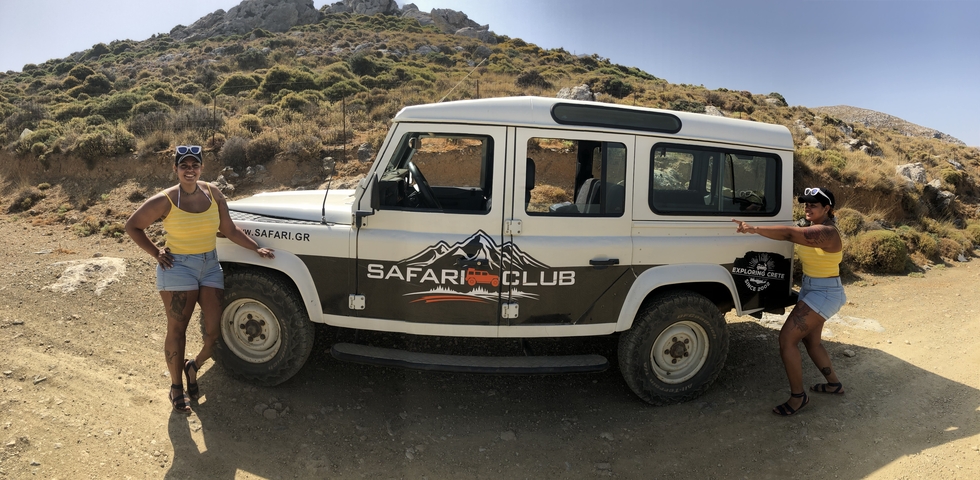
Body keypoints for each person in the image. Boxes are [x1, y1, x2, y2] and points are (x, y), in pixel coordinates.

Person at [125, 145, 275, 414]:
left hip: (209, 264)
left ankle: (193, 366)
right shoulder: (165, 199)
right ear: (175, 169)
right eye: (184, 166)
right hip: (178, 266)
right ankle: (175, 388)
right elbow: (132, 225)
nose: (190, 170)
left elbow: (228, 229)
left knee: (215, 330)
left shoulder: (213, 193)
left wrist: (255, 248)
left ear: (201, 168)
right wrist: (156, 251)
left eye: (195, 165)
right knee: (177, 329)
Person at [732, 187, 846, 416]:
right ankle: (834, 384)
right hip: (811, 287)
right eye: (806, 203)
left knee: (787, 339)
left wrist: (753, 229)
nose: (808, 207)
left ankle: (798, 397)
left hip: (825, 292)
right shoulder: (808, 225)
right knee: (811, 342)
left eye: (814, 204)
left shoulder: (828, 232)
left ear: (827, 209)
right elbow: (789, 227)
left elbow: (789, 234)